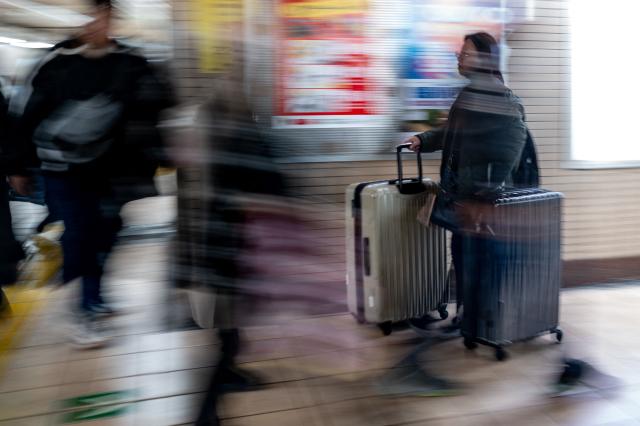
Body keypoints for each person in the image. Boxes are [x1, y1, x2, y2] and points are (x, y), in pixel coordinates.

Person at [11, 0, 174, 346]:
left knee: (108, 233)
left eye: (103, 16)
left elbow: (159, 102)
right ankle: (83, 310)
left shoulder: (131, 62)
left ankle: (95, 295)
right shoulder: (57, 62)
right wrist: (16, 164)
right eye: (90, 16)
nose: (96, 23)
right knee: (81, 232)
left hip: (112, 171)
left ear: (112, 20)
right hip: (62, 168)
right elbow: (25, 115)